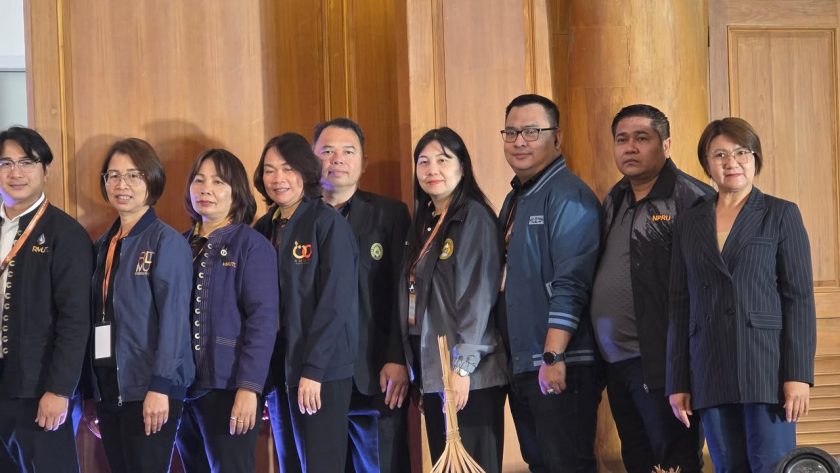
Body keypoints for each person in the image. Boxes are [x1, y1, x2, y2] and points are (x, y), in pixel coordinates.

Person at [667, 117, 816, 473]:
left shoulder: (780, 213)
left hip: (765, 369)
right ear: (707, 163)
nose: (731, 162)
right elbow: (679, 304)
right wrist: (678, 381)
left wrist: (798, 374)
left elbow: (798, 299)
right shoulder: (689, 222)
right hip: (709, 366)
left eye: (741, 152)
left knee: (771, 465)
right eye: (719, 154)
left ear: (755, 158)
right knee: (727, 466)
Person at [591, 104, 711, 473]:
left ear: (666, 145)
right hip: (618, 362)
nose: (630, 147)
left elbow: (705, 288)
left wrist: (684, 367)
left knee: (673, 461)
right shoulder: (615, 197)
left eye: (641, 138)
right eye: (622, 139)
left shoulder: (691, 198)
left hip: (664, 362)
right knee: (638, 460)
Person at [497, 94, 602, 472]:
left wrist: (553, 356)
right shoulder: (517, 197)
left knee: (567, 465)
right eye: (511, 132)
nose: (519, 142)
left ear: (556, 137)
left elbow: (571, 283)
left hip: (560, 363)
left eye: (531, 132)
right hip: (524, 363)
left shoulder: (569, 195)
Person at [398, 127, 508, 472]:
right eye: (423, 162)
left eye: (443, 160)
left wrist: (462, 368)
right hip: (435, 372)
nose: (432, 169)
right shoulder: (425, 222)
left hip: (468, 373)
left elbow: (478, 298)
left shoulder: (473, 217)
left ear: (462, 166)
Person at [87, 138, 195, 472]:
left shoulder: (166, 241)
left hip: (151, 388)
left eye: (133, 175)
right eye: (113, 176)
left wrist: (160, 386)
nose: (122, 185)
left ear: (152, 180)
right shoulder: (103, 244)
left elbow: (175, 321)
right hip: (110, 388)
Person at [254, 133, 359, 472]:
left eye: (288, 168)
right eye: (269, 170)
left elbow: (336, 303)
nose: (278, 179)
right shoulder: (264, 227)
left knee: (320, 465)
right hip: (280, 370)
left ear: (306, 171)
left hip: (320, 370)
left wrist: (314, 370)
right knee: (289, 465)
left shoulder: (325, 222)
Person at [313, 118, 411, 473]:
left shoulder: (390, 214)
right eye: (327, 151)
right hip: (316, 380)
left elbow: (402, 291)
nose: (337, 159)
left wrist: (397, 357)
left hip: (375, 374)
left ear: (363, 162)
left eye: (348, 151)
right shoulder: (298, 218)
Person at [175, 149, 279, 472]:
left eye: (218, 182)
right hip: (181, 389)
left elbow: (263, 322)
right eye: (199, 180)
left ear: (236, 192)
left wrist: (249, 388)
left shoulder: (251, 245)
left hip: (229, 385)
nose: (206, 189)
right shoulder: (178, 244)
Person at [0, 127, 92, 473]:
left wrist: (59, 390)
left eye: (27, 162)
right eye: (5, 163)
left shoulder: (65, 234)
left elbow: (75, 320)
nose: (15, 172)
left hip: (38, 388)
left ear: (45, 170)